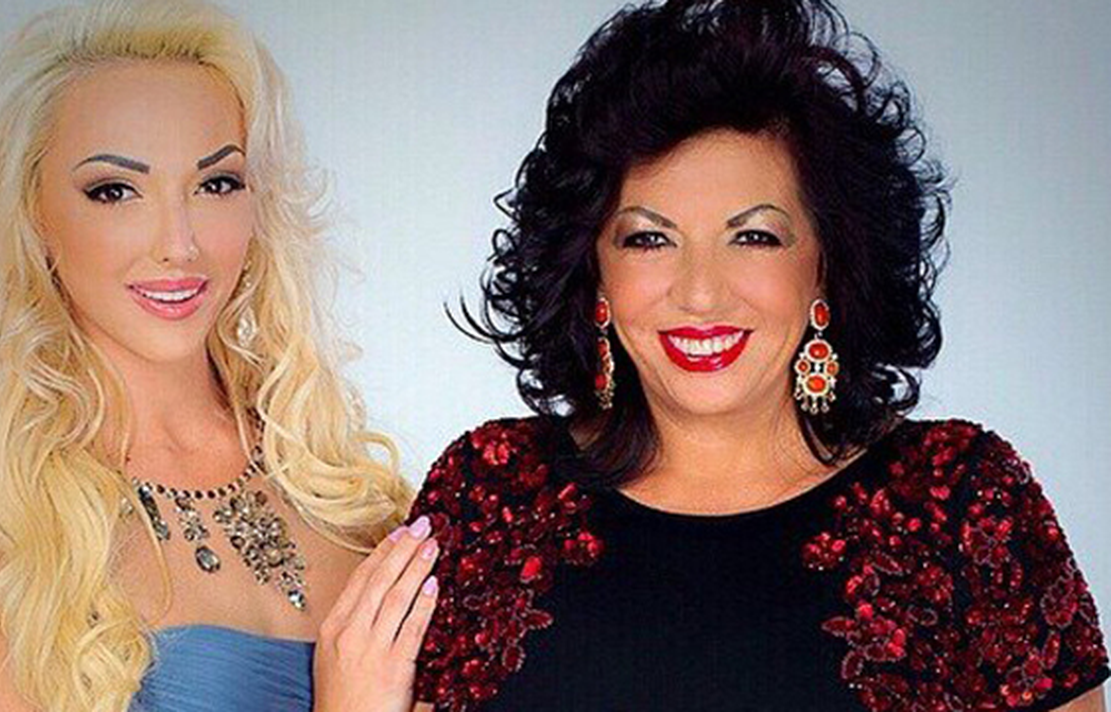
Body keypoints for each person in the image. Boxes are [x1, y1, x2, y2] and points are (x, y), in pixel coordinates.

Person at [408, 0, 1109, 710]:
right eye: (649, 239)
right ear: (595, 276)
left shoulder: (962, 502)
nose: (700, 294)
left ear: (827, 268)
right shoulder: (489, 495)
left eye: (754, 237)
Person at [0, 1, 439, 711]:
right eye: (115, 191)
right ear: (33, 216)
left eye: (216, 183)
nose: (179, 244)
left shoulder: (348, 494)